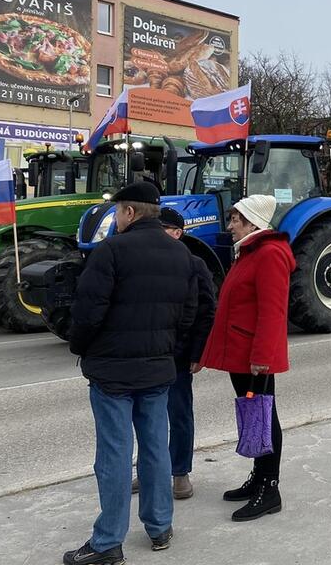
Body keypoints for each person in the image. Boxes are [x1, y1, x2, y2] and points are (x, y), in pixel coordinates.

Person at [64, 182, 197, 565]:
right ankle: (160, 527)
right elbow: (187, 314)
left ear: (130, 213)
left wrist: (80, 346)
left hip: (112, 372)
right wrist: (167, 349)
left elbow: (87, 312)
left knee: (114, 455)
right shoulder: (182, 256)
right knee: (156, 448)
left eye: (119, 211)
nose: (116, 218)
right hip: (157, 369)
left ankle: (107, 542)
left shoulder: (111, 252)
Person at [199, 194, 295, 522]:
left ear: (253, 221)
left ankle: (270, 488)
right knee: (254, 412)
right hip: (242, 351)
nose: (229, 227)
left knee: (265, 415)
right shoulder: (251, 251)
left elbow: (272, 311)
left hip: (254, 355)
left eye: (235, 220)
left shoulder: (269, 254)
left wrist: (262, 356)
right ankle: (259, 478)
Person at [131, 207, 216, 500]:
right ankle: (148, 471)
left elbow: (206, 312)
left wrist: (197, 352)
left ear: (178, 233)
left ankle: (180, 473)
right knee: (146, 416)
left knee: (178, 413)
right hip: (147, 353)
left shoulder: (195, 265)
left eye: (164, 229)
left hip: (178, 355)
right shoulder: (142, 263)